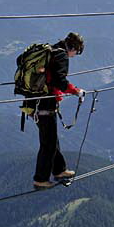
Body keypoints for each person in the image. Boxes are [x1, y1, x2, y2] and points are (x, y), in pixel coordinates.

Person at [32, 32, 85, 189]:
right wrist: (76, 91)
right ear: (73, 47)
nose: (75, 55)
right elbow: (59, 81)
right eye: (77, 52)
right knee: (48, 144)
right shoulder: (61, 56)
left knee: (51, 139)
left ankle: (59, 170)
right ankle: (40, 179)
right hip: (45, 104)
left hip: (36, 102)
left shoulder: (52, 50)